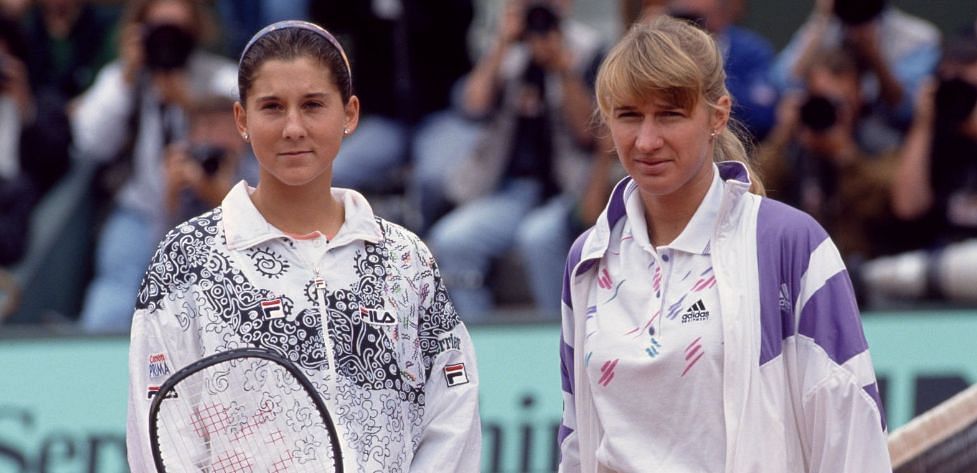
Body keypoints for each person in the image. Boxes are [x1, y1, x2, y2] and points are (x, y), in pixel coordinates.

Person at [125, 21, 481, 472]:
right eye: (272, 107)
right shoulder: (184, 260)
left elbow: (452, 415)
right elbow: (160, 437)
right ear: (242, 120)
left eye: (313, 105)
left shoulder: (407, 260)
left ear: (349, 114)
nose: (293, 127)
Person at [558, 16, 890, 472]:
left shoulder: (790, 243)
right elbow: (577, 437)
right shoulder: (588, 257)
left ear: (717, 115)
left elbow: (851, 429)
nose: (647, 140)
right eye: (629, 115)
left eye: (670, 114)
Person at [429, 0, 603, 320]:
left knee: (537, 237)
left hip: (567, 191)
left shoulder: (588, 48)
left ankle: (561, 342)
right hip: (509, 191)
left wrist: (562, 68)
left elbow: (588, 134)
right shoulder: (505, 49)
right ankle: (478, 351)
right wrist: (501, 45)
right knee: (452, 239)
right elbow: (473, 107)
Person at [73, 0, 237, 333]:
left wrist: (187, 103)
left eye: (176, 30)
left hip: (212, 214)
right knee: (110, 302)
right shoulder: (123, 79)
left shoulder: (221, 77)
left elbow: (242, 138)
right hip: (140, 211)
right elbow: (90, 141)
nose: (167, 39)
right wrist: (128, 76)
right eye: (158, 29)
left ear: (196, 32)